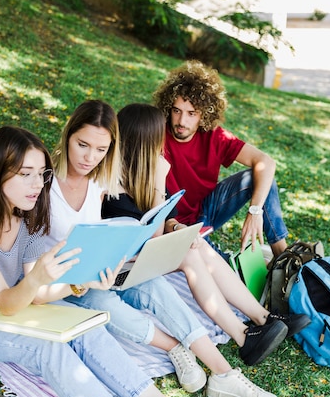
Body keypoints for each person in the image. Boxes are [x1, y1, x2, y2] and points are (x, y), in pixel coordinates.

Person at [47, 100, 283, 396]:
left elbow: (138, 232)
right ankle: (175, 346)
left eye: (100, 149)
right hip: (75, 283)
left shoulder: (101, 180)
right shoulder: (50, 185)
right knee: (108, 303)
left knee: (159, 286)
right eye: (83, 145)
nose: (90, 157)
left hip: (114, 268)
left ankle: (224, 375)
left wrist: (168, 223)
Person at [0, 126, 165, 397]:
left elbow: (38, 295)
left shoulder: (26, 213)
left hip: (2, 303)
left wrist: (83, 282)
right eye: (25, 174)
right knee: (45, 346)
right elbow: (7, 302)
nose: (37, 184)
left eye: (42, 174)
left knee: (84, 327)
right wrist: (35, 279)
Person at [103, 102, 312, 395]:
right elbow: (151, 237)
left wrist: (177, 228)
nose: (162, 148)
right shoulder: (113, 180)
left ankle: (262, 321)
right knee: (191, 254)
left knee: (195, 247)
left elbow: (158, 228)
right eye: (156, 142)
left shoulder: (140, 170)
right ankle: (247, 333)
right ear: (142, 143)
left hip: (144, 254)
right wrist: (159, 185)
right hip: (124, 269)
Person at [154, 60, 290, 258]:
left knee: (260, 177)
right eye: (177, 111)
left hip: (206, 210)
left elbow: (266, 163)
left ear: (204, 114)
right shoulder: (156, 134)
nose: (182, 121)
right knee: (225, 270)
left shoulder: (214, 136)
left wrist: (255, 211)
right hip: (173, 223)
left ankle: (284, 258)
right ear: (168, 108)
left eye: (191, 113)